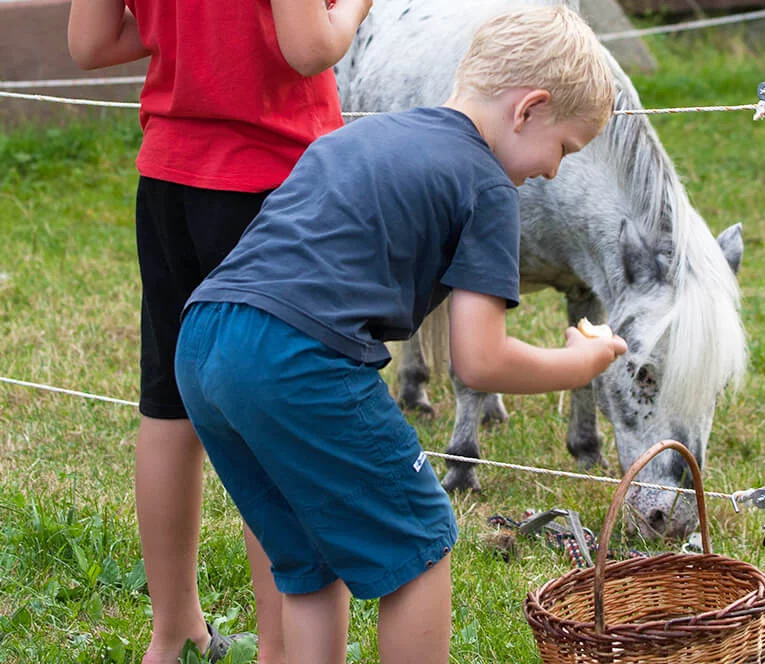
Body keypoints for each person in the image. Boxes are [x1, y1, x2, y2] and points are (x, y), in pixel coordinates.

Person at [174, 5, 625, 664]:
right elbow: (481, 359)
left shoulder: (361, 135)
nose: (555, 171)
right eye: (564, 149)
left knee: (306, 557)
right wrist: (578, 364)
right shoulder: (486, 183)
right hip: (295, 359)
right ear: (528, 109)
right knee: (419, 537)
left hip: (206, 338)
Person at [66, 1, 372, 662]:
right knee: (276, 423)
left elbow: (90, 43)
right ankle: (280, 649)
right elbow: (310, 48)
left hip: (169, 178)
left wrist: (184, 44)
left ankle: (171, 631)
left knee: (169, 405)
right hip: (272, 183)